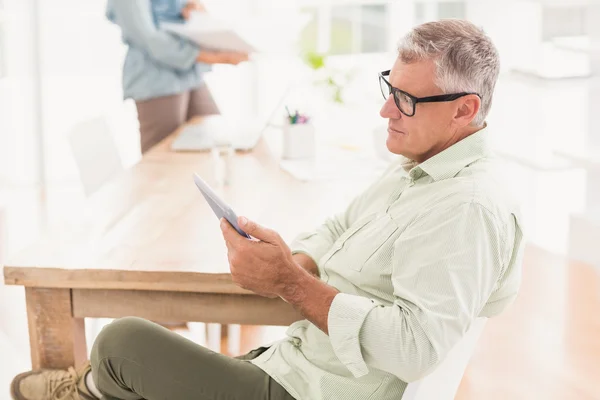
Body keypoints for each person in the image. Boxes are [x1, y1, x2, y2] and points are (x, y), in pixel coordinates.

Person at [10, 19, 524, 400]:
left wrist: (291, 285)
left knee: (121, 340)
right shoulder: (421, 168)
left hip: (311, 392)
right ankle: (95, 386)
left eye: (407, 101)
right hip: (296, 365)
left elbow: (415, 347)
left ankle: (86, 388)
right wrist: (292, 264)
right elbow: (340, 225)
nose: (386, 110)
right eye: (390, 88)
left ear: (465, 109)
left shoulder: (467, 209)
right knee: (130, 351)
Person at [106, 0, 248, 154]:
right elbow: (149, 38)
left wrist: (195, 13)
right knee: (161, 160)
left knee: (216, 142)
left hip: (190, 76)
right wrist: (217, 57)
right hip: (156, 80)